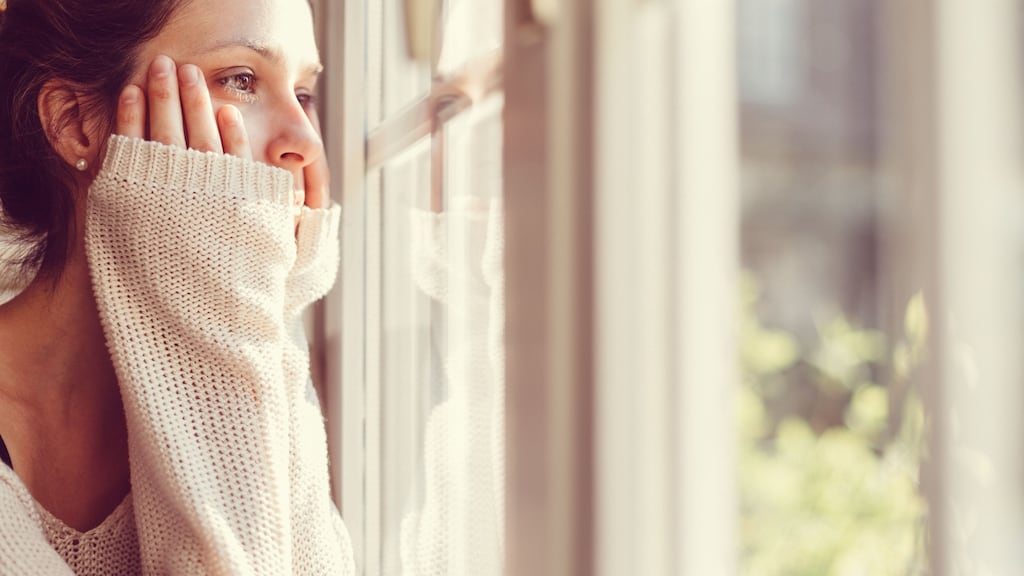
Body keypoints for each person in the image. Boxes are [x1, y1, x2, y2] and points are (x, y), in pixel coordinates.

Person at [0, 0, 355, 573]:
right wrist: (220, 314)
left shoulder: (254, 368)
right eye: (241, 80)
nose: (305, 142)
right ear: (73, 123)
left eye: (304, 93)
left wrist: (261, 315)